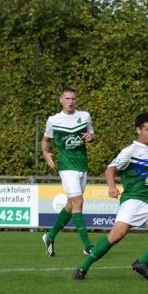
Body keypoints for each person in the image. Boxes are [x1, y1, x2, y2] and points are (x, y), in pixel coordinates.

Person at [72, 112, 148, 280]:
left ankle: (142, 262)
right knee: (116, 236)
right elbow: (110, 169)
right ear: (138, 130)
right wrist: (111, 187)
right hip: (133, 202)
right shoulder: (130, 151)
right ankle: (83, 268)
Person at [41, 86, 95, 256]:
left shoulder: (84, 116)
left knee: (71, 206)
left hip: (82, 165)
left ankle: (49, 237)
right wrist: (46, 153)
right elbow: (46, 140)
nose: (70, 102)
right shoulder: (53, 120)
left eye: (73, 99)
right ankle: (87, 245)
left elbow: (92, 135)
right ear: (61, 100)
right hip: (66, 166)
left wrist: (91, 138)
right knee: (78, 202)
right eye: (67, 98)